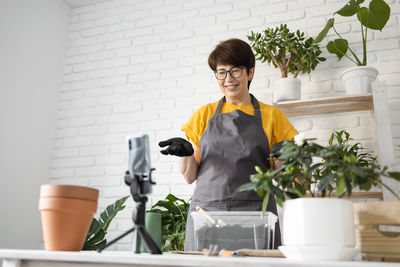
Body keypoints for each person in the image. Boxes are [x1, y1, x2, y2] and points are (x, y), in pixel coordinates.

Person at [158, 38, 298, 251]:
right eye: (221, 72)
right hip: (208, 215)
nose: (227, 79)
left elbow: (282, 178)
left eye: (235, 71)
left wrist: (282, 159)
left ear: (250, 73)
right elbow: (189, 177)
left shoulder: (273, 116)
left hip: (256, 217)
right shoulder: (203, 115)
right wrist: (186, 154)